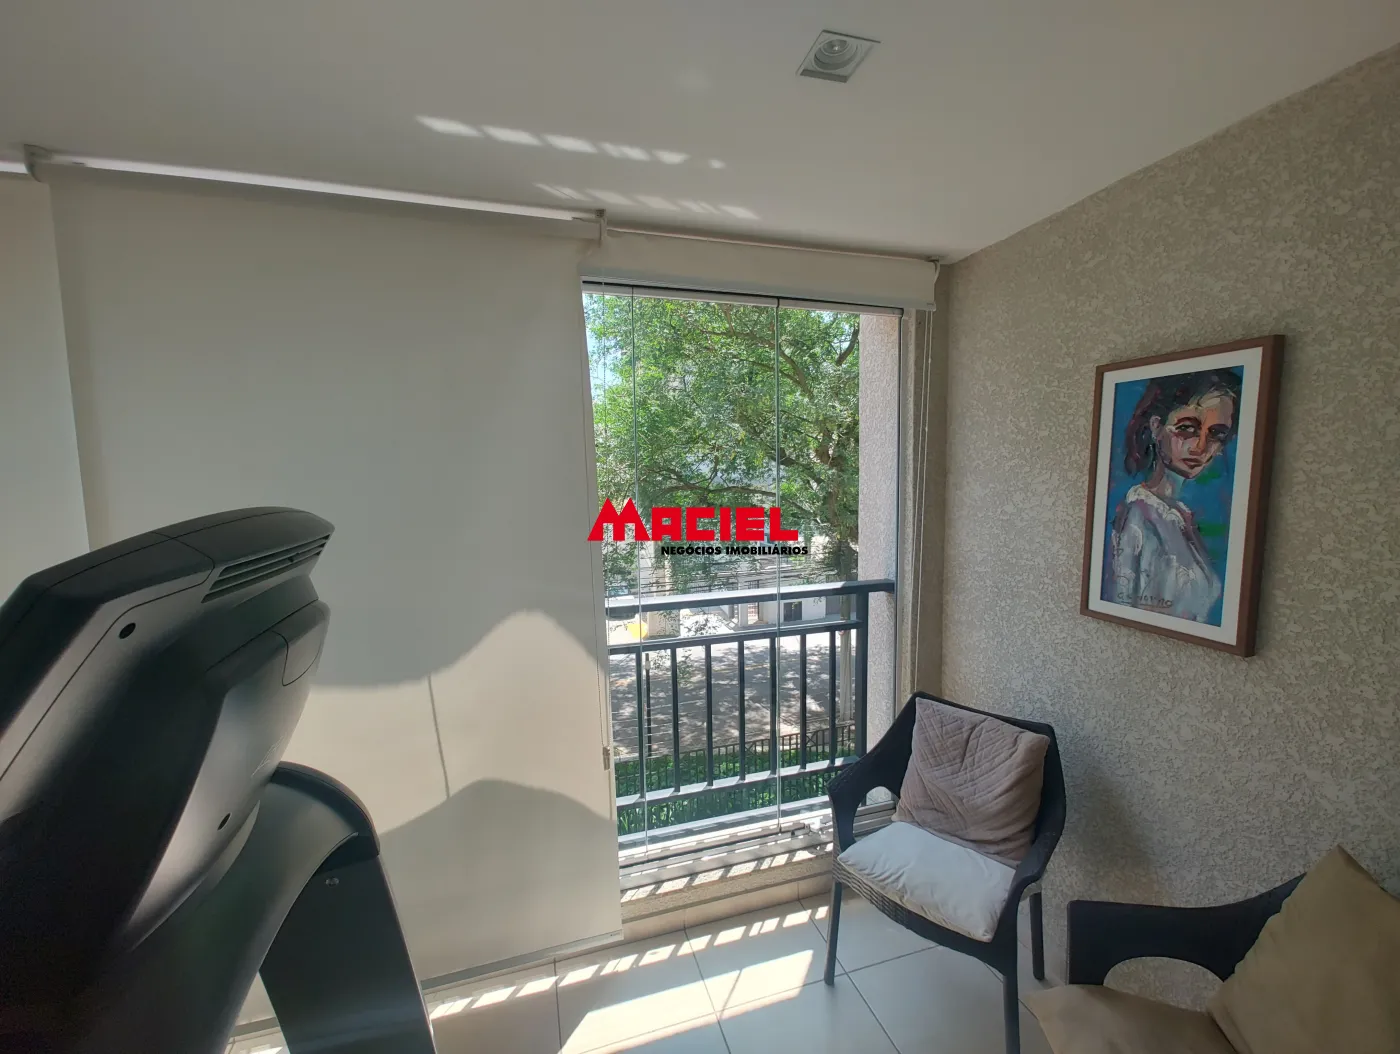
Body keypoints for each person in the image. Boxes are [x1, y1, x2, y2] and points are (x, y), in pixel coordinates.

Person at [1104, 368, 1242, 623]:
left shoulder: (1179, 515)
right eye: (1187, 428)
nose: (1201, 446)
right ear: (1156, 427)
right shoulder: (1140, 515)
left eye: (1216, 433)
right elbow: (1128, 605)